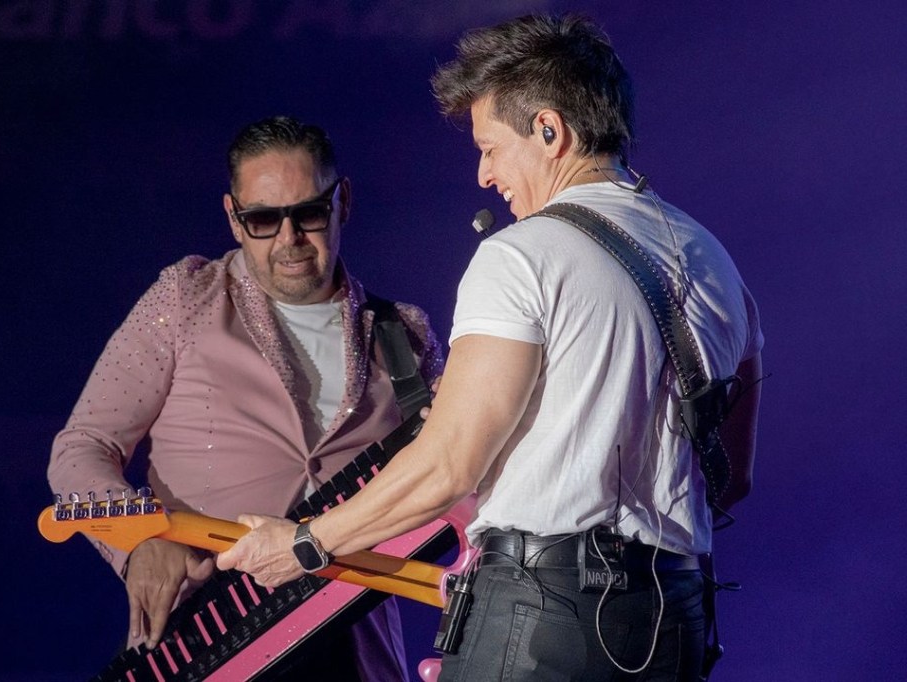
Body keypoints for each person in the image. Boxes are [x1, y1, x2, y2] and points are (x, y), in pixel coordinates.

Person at [217, 14, 763, 682]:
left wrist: (306, 543)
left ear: (550, 131)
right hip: (678, 617)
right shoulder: (716, 262)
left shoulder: (521, 256)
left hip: (544, 616)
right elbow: (731, 479)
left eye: (491, 148)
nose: (483, 174)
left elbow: (449, 466)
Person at [47, 115, 445, 681]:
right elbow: (81, 449)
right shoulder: (186, 298)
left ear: (343, 202)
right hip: (206, 642)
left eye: (309, 212)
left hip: (357, 651)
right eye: (263, 219)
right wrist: (137, 539)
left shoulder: (403, 334)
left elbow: (453, 476)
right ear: (234, 218)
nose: (289, 238)